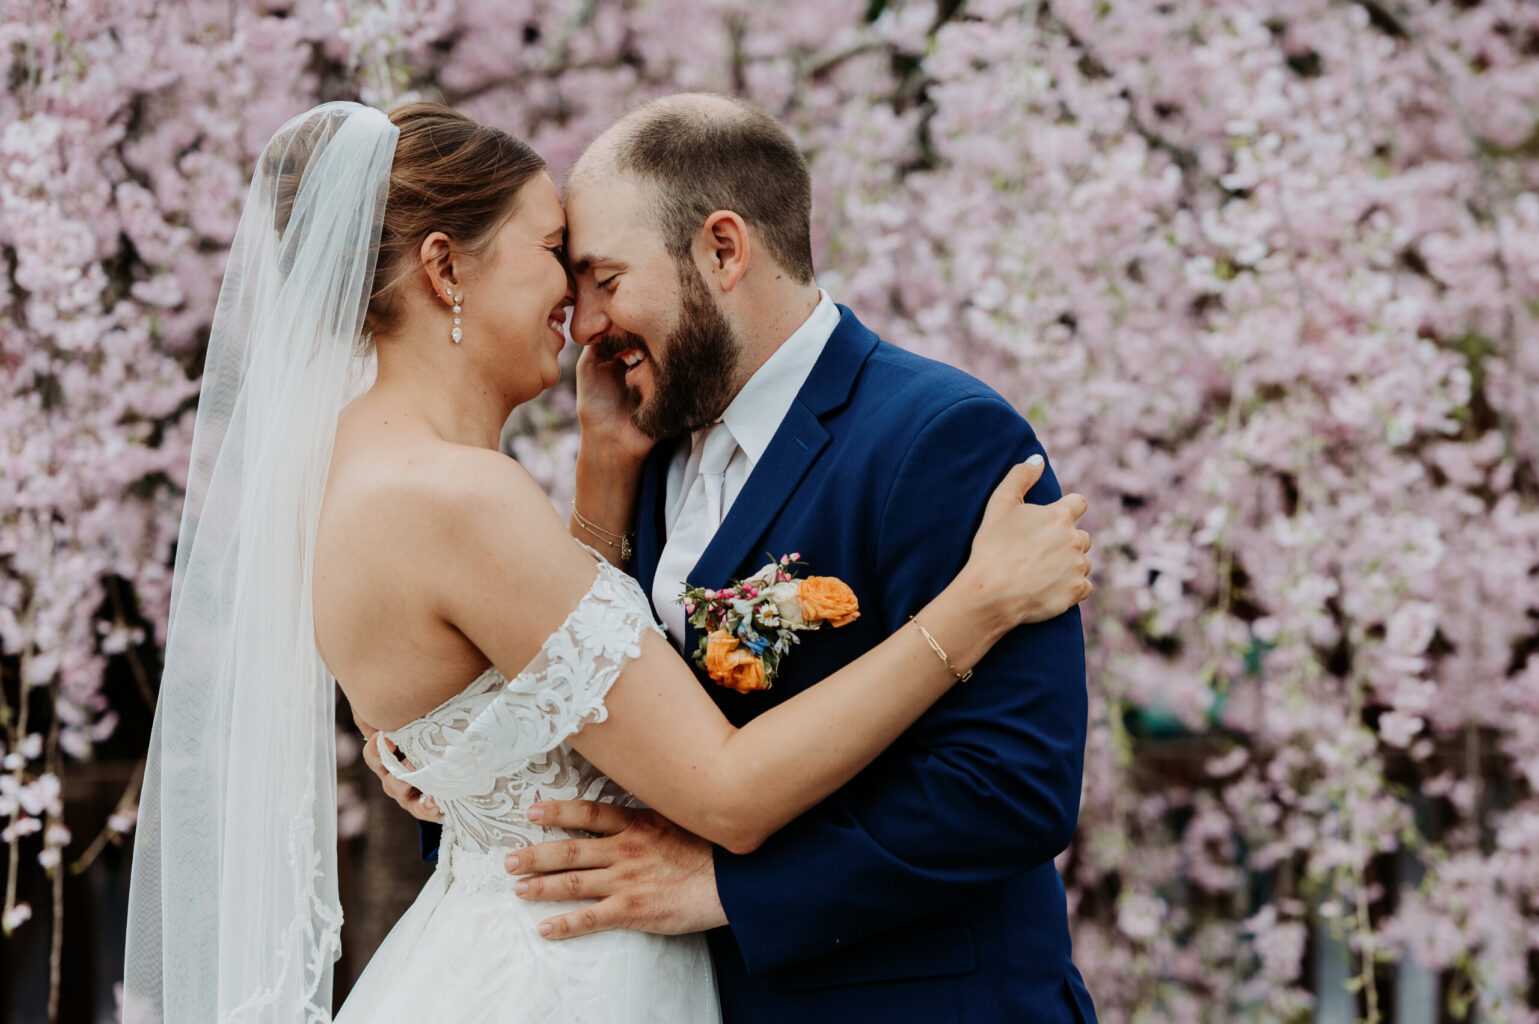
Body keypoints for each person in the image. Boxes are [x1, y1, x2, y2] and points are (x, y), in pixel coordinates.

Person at [123, 101, 1092, 1023]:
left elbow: (1009, 784)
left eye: (600, 274)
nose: (583, 318)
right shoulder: (521, 477)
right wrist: (977, 605)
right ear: (443, 270)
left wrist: (711, 882)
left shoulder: (935, 437)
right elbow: (673, 761)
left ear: (722, 249)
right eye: (559, 263)